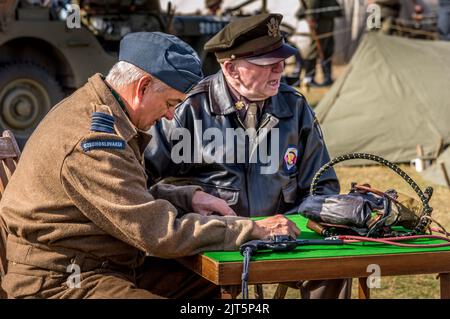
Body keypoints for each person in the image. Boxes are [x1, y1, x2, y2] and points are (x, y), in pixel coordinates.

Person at [0, 31, 299, 299]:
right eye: (170, 103)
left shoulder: (103, 111)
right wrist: (250, 229)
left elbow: (128, 190)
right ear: (142, 87)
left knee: (212, 283)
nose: (170, 117)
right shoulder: (93, 139)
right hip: (62, 282)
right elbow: (158, 233)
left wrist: (189, 196)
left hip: (102, 265)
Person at [145, 14, 351, 299]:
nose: (280, 69)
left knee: (335, 267)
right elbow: (142, 184)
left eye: (283, 60)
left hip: (283, 237)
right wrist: (190, 198)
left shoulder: (295, 106)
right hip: (215, 241)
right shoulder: (187, 109)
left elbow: (322, 186)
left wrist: (299, 222)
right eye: (268, 64)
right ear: (231, 68)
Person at [296, 0, 343, 87]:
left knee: (328, 48)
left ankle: (327, 77)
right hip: (319, 19)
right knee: (315, 49)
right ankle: (308, 77)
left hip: (328, 15)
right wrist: (311, 18)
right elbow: (312, 2)